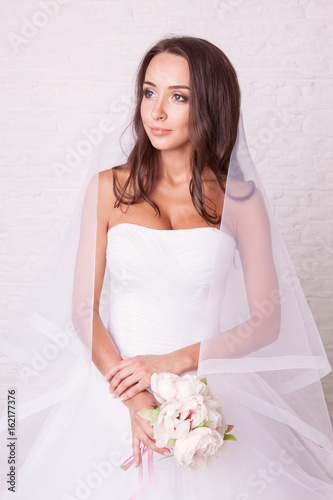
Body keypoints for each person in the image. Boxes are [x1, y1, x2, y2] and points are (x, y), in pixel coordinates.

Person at [1, 35, 333, 500]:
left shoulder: (241, 200)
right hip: (112, 386)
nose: (155, 111)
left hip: (204, 392)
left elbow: (266, 319)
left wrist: (170, 365)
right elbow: (83, 309)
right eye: (149, 92)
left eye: (178, 97)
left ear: (212, 106)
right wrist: (137, 397)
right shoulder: (108, 187)